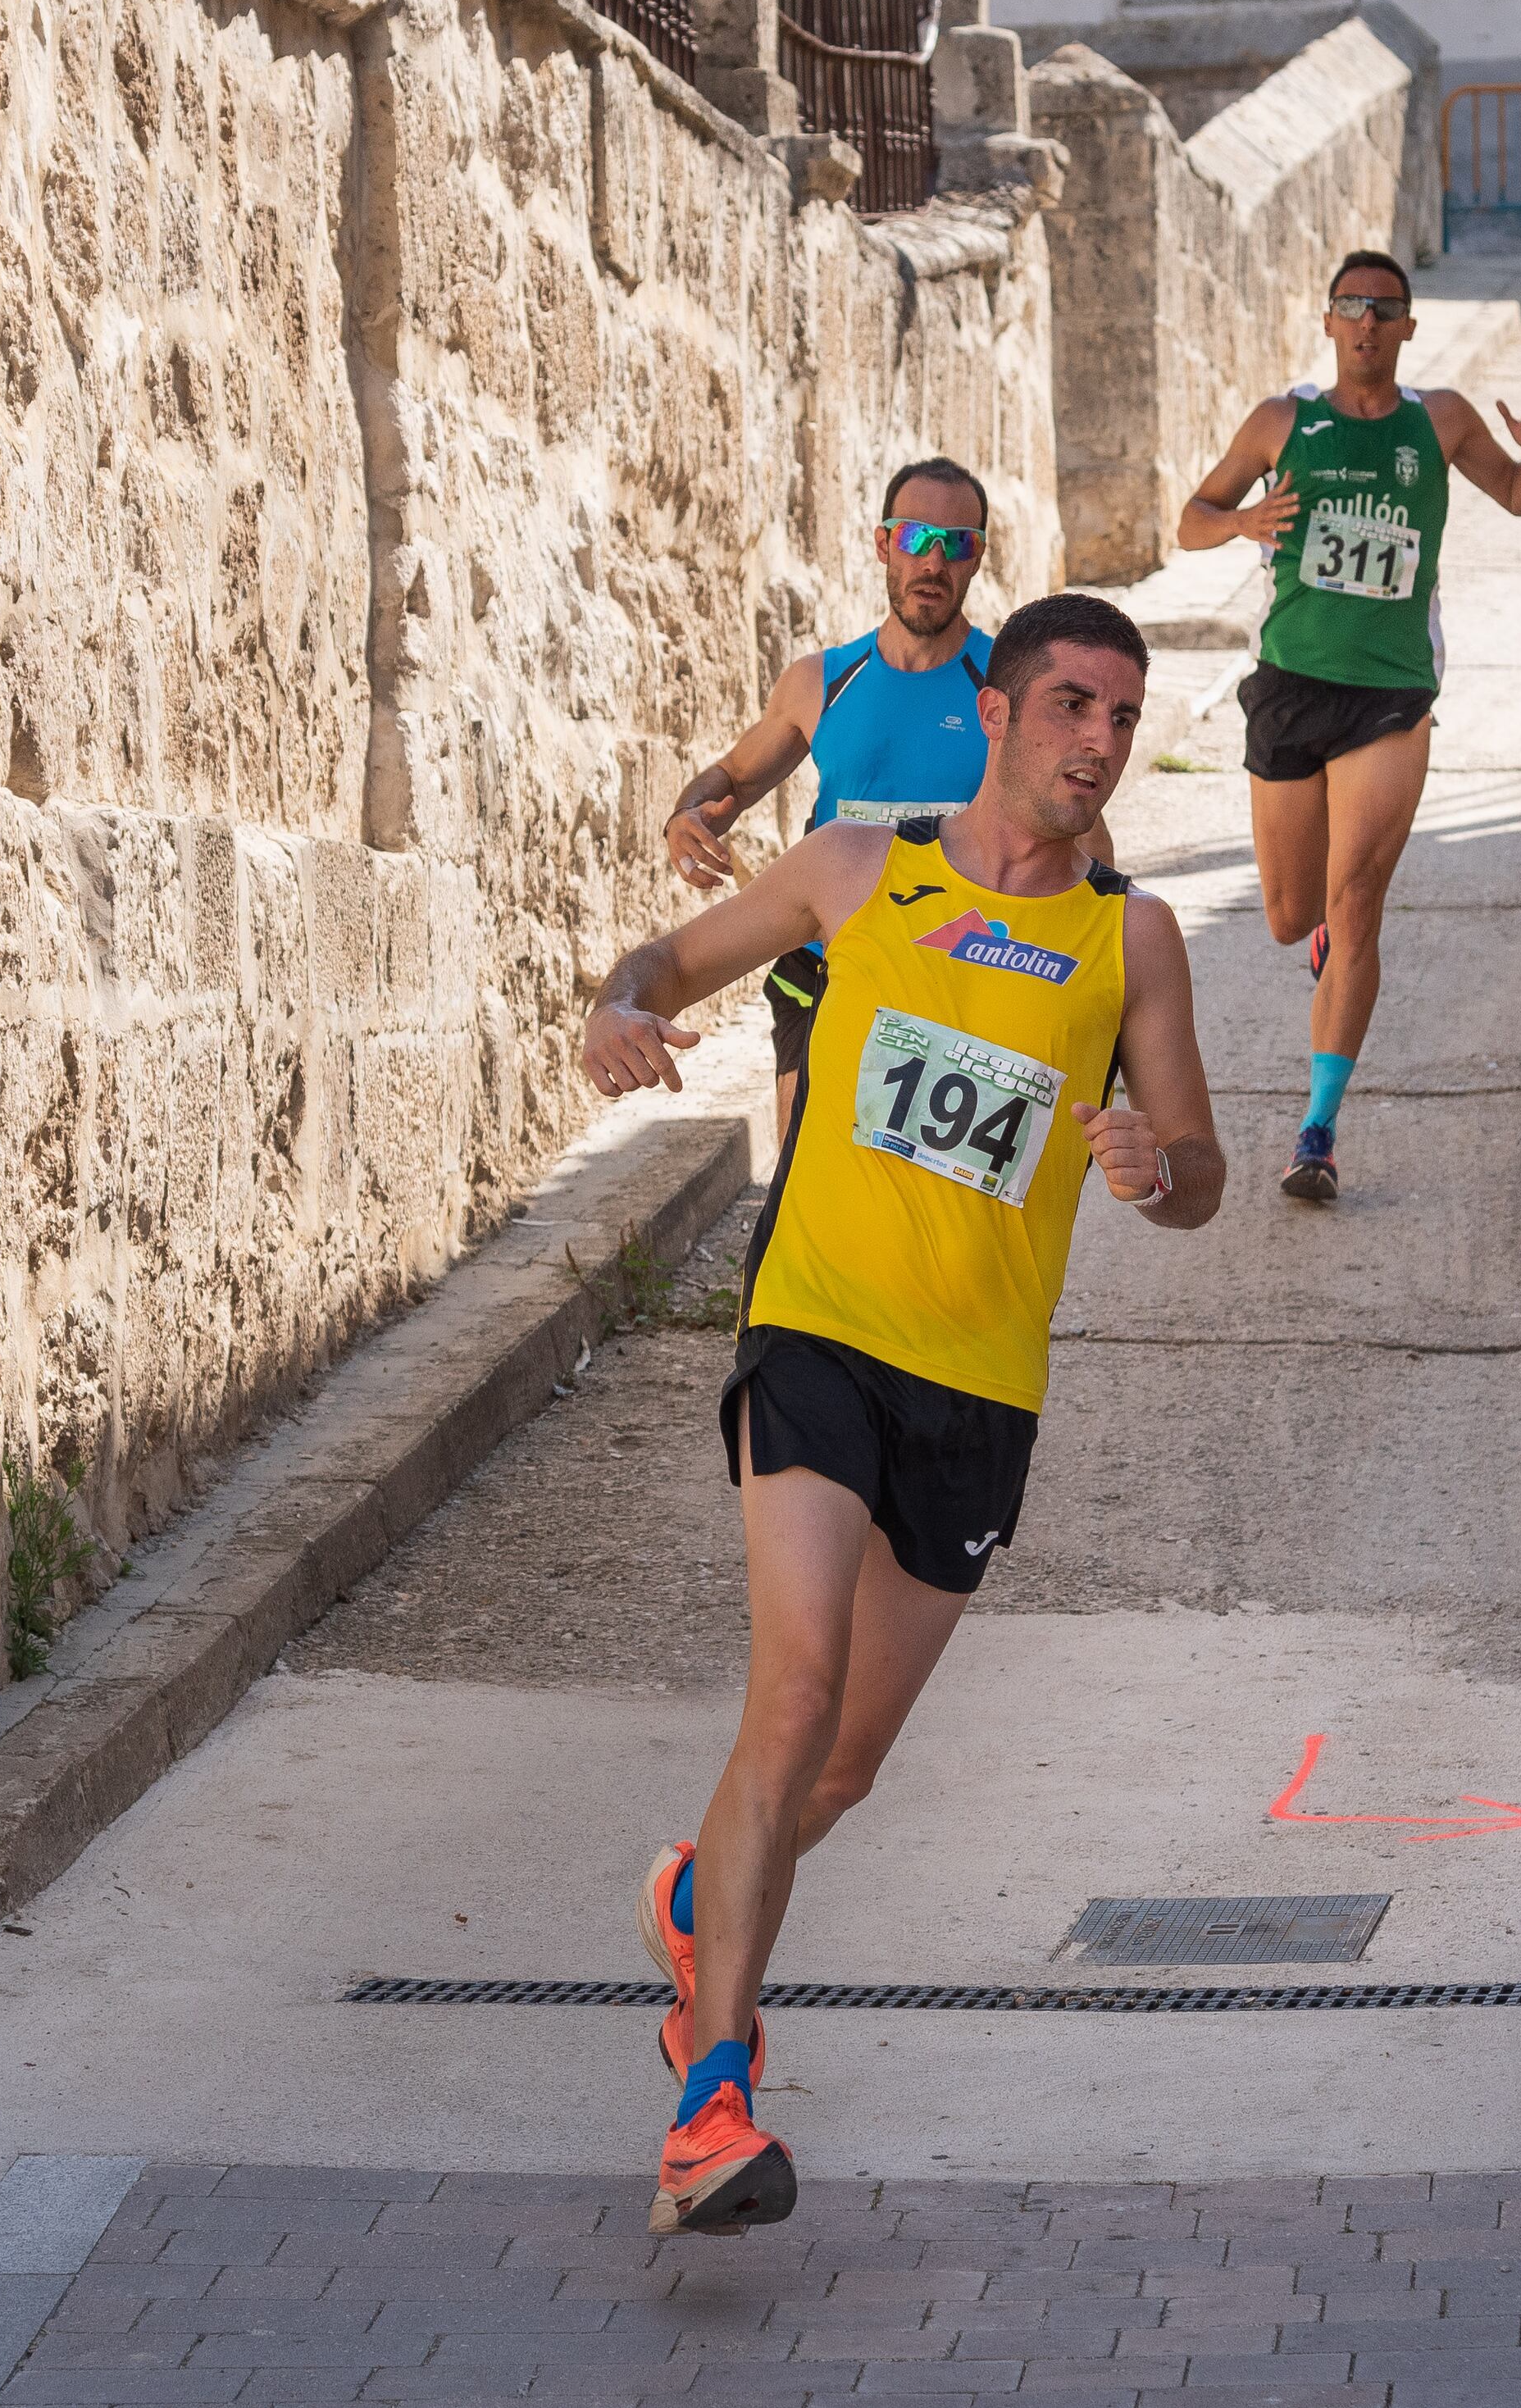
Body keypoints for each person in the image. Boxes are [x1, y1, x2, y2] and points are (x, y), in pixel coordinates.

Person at [581, 594, 1223, 2237]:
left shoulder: (1129, 940)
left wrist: (1161, 1173)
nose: (1098, 739)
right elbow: (669, 955)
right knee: (789, 1694)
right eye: (1072, 703)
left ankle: (695, 1888)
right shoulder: (863, 870)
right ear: (998, 713)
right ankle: (709, 2094)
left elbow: (1200, 1168)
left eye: (1122, 718)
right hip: (818, 1329)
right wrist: (623, 999)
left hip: (979, 1391)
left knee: (842, 1766)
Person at [1175, 252, 1521, 1202]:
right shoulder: (1282, 420)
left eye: (1384, 311)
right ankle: (1321, 944)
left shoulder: (1438, 421)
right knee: (1288, 917)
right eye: (1351, 307)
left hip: (1389, 694)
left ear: (1407, 328)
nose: (1366, 325)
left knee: (1354, 906)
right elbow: (1189, 517)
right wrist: (1241, 523)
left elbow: (1517, 498)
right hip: (1289, 686)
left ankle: (1316, 1130)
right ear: (1327, 320)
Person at [664, 462, 1007, 1145]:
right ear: (883, 545)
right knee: (801, 1168)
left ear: (977, 560)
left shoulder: (1004, 685)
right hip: (823, 964)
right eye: (915, 536)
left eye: (956, 543)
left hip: (952, 971)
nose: (932, 561)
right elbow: (733, 777)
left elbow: (1084, 844)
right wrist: (688, 815)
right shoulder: (819, 682)